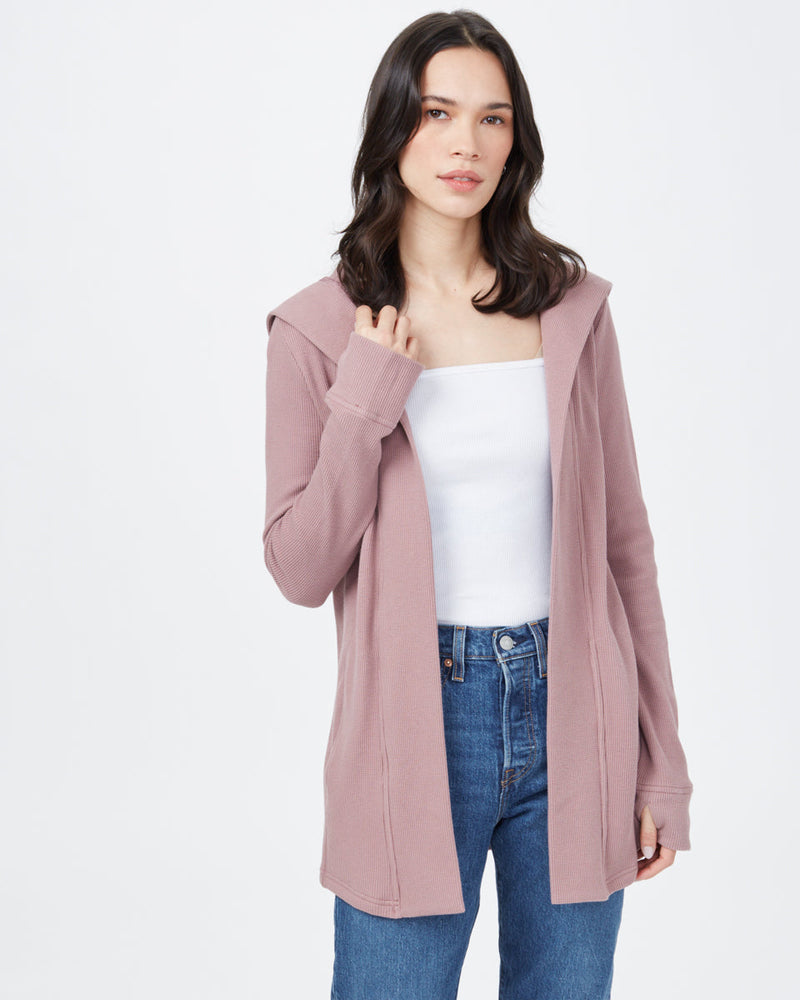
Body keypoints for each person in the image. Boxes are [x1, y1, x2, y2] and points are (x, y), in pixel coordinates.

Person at [261, 10, 693, 999]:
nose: (466, 144)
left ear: (515, 141)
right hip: (414, 719)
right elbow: (297, 568)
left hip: (577, 703)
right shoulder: (319, 329)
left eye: (492, 119)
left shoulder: (572, 310)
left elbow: (624, 545)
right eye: (437, 113)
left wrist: (660, 760)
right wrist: (363, 402)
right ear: (392, 129)